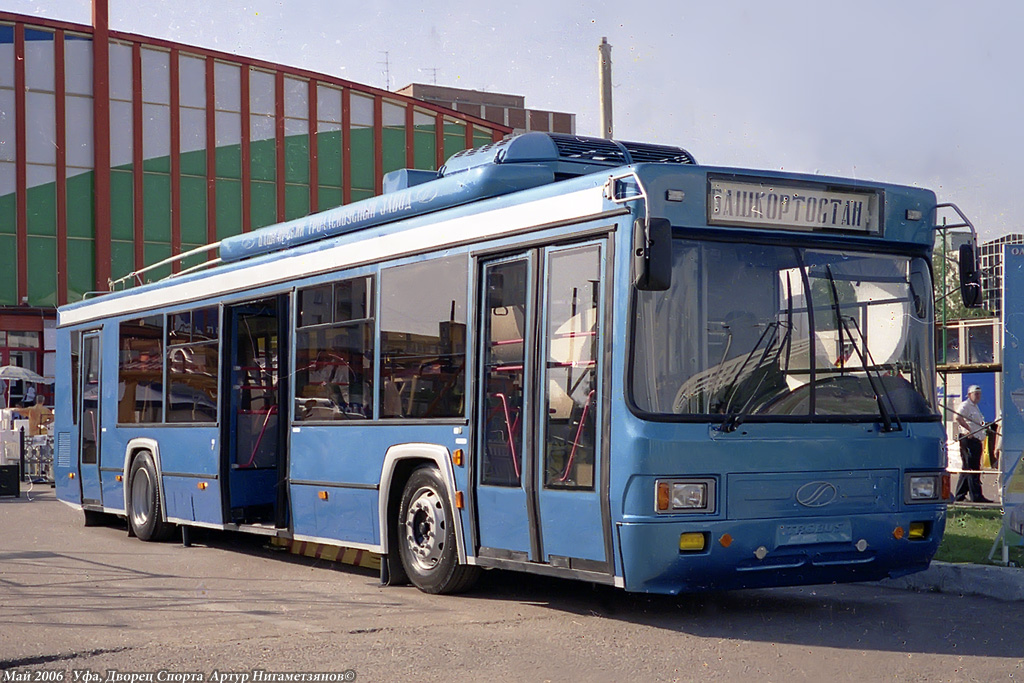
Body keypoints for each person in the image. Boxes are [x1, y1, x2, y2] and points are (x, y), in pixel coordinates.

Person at [953, 385, 993, 503]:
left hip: (976, 440)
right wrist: (968, 430)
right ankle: (976, 496)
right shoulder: (965, 405)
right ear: (969, 394)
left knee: (967, 467)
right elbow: (957, 417)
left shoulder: (975, 407)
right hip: (969, 439)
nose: (978, 396)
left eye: (979, 394)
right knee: (972, 468)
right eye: (976, 394)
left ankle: (960, 496)